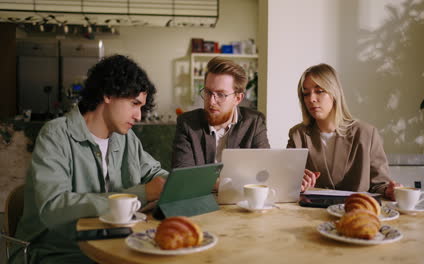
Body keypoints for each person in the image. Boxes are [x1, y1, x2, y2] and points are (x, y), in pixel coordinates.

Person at [11, 55, 168, 264]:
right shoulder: (57, 134)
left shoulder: (126, 139)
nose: (139, 116)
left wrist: (178, 184)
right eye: (134, 104)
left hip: (111, 243)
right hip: (55, 251)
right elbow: (53, 206)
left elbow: (156, 174)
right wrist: (141, 194)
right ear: (108, 94)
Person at [287, 63, 400, 199]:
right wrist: (297, 184)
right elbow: (287, 183)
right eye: (306, 93)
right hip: (309, 215)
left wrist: (389, 190)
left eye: (319, 91)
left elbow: (380, 185)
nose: (311, 99)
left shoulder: (366, 134)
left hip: (354, 212)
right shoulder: (297, 135)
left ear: (334, 93)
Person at [172, 57, 270, 168]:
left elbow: (264, 170)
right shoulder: (187, 123)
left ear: (237, 98)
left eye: (221, 94)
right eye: (208, 92)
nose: (211, 101)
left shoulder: (254, 122)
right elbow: (183, 176)